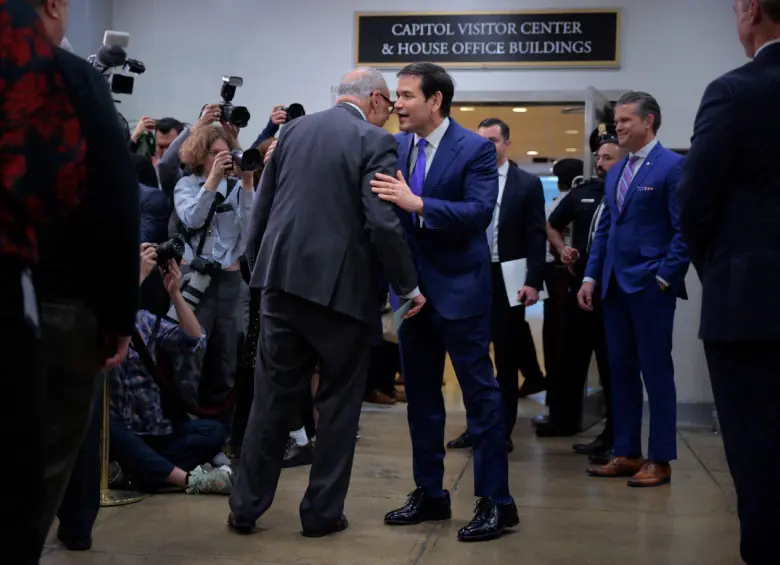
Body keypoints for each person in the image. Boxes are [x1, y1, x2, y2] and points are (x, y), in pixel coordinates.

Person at [228, 67, 422, 538]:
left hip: (280, 285)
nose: (391, 114)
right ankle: (320, 515)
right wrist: (408, 286)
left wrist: (260, 274)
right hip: (341, 295)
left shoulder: (291, 131)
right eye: (389, 105)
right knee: (336, 407)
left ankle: (245, 507)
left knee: (270, 401)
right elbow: (381, 223)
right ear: (375, 100)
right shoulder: (374, 141)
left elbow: (263, 211)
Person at [370, 62, 518, 542]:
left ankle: (497, 502)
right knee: (423, 402)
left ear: (435, 101)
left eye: (408, 95)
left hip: (461, 293)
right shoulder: (396, 145)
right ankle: (430, 493)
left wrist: (418, 203)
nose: (398, 103)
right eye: (397, 94)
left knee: (481, 399)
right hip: (412, 297)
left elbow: (477, 214)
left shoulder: (475, 149)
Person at [677, 1, 780, 562]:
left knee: (759, 451)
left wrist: (718, 268)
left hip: (752, 308)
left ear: (752, 12)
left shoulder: (736, 91)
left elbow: (695, 200)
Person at [578, 91, 689, 487]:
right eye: (616, 121)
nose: (617, 127)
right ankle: (626, 452)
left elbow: (684, 230)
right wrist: (591, 277)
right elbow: (606, 230)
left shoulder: (673, 167)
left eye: (626, 120)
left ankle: (659, 458)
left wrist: (664, 278)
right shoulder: (618, 169)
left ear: (649, 122)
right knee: (620, 371)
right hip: (612, 288)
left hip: (650, 289)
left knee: (656, 372)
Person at [446, 117, 546, 454]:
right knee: (473, 358)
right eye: (480, 141)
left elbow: (535, 236)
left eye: (491, 140)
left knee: (506, 357)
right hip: (471, 275)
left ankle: (500, 430)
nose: (485, 147)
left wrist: (534, 281)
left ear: (506, 143)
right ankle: (475, 427)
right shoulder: (467, 177)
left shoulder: (526, 185)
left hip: (510, 277)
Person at [109, 245, 231, 494]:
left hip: (157, 433)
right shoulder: (100, 320)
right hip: (122, 433)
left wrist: (175, 293)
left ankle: (146, 473)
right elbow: (106, 338)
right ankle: (187, 480)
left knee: (214, 431)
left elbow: (195, 341)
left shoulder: (143, 320)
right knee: (109, 428)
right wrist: (136, 278)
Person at [546, 129, 623, 456]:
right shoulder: (584, 193)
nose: (601, 164)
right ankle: (563, 419)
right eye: (599, 158)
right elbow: (552, 224)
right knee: (570, 357)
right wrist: (563, 250)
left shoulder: (625, 194)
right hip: (579, 290)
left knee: (610, 364)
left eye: (608, 158)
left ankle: (613, 434)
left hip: (614, 292)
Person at [173, 125, 255, 411]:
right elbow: (192, 220)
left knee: (226, 361)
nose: (222, 159)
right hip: (195, 279)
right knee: (189, 358)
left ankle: (218, 441)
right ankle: (188, 433)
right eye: (214, 154)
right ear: (200, 155)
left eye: (226, 153)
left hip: (231, 283)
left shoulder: (237, 187)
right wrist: (211, 182)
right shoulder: (186, 185)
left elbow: (250, 230)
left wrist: (247, 184)